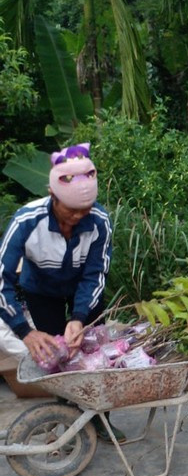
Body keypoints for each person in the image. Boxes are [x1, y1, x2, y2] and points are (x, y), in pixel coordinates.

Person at [0, 142, 123, 441]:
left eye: (85, 210)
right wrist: (24, 332)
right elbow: (1, 281)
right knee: (56, 360)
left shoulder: (100, 221)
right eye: (70, 210)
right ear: (52, 194)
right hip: (41, 291)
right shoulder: (26, 221)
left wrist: (80, 316)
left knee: (94, 353)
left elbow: (95, 274)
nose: (77, 217)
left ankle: (100, 420)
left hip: (83, 290)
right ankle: (66, 419)